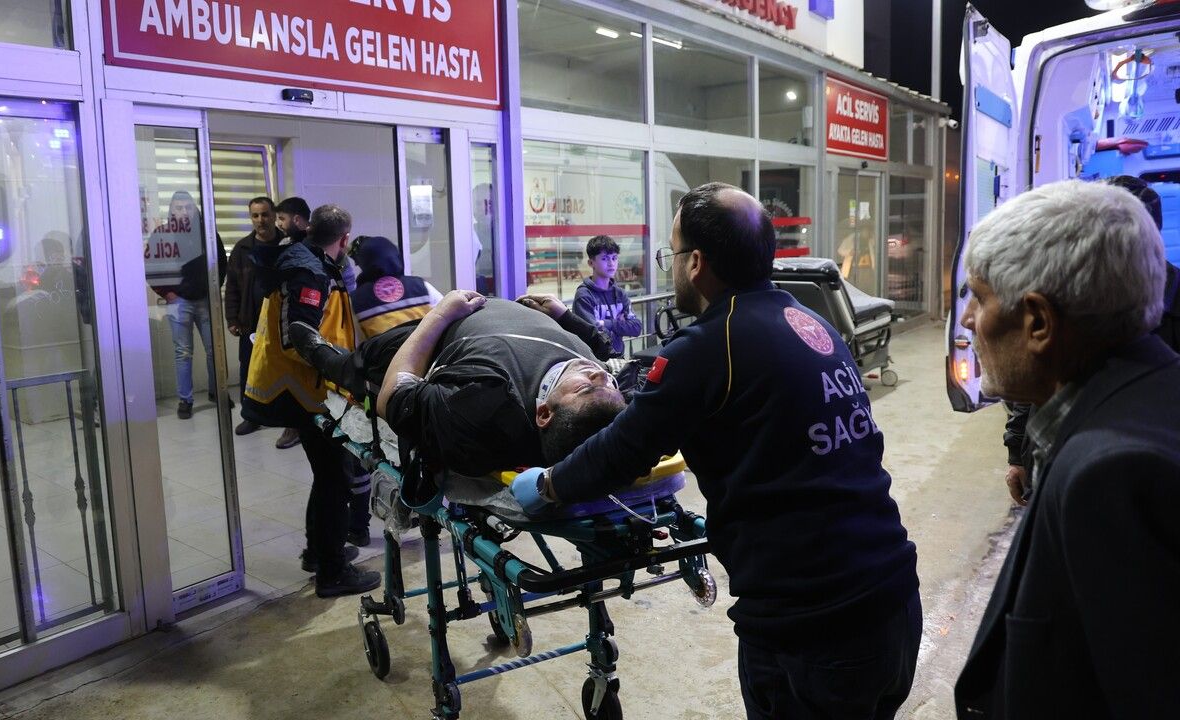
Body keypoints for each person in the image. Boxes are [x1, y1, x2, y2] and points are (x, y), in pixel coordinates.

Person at [508, 183, 920, 720]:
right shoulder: (809, 322)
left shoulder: (709, 345)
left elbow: (623, 450)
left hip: (813, 631)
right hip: (892, 602)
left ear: (696, 262)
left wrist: (547, 485)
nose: (672, 267)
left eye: (673, 253)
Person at [954, 179, 1180, 718]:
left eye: (979, 297)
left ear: (1037, 322)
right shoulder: (1151, 390)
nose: (967, 319)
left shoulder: (1113, 473)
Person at [291, 292, 618, 479]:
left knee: (366, 360)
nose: (600, 376)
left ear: (544, 413)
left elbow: (395, 397)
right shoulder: (609, 401)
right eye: (610, 385)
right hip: (486, 311)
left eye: (586, 387)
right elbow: (610, 353)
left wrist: (439, 316)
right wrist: (564, 316)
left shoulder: (489, 407)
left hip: (441, 333)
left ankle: (325, 358)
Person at [1000, 174, 1180, 505]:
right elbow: (1036, 375)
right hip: (1054, 460)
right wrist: (1016, 453)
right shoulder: (1069, 292)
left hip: (1136, 481)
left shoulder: (1172, 299)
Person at [241, 203, 380, 597]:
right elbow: (299, 335)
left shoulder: (307, 259)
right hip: (306, 391)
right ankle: (332, 572)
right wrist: (345, 369)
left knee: (327, 476)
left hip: (305, 388)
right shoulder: (309, 271)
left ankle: (319, 553)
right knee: (336, 479)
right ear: (344, 238)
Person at [147, 191, 227, 420]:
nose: (183, 212)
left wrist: (214, 290)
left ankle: (216, 392)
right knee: (183, 353)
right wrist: (167, 293)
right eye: (179, 207)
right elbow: (150, 267)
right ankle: (185, 400)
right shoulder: (162, 234)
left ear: (195, 210)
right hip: (179, 301)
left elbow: (222, 262)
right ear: (172, 210)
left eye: (188, 207)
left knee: (214, 350)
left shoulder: (207, 233)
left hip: (205, 299)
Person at [224, 196, 282, 435]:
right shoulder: (242, 249)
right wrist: (232, 319)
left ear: (274, 215)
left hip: (281, 322)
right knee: (249, 369)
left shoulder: (286, 244)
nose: (260, 220)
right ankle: (250, 416)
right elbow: (232, 286)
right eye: (255, 215)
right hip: (251, 322)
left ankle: (286, 418)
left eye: (265, 214)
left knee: (283, 368)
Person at [349, 235, 442, 339]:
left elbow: (356, 341)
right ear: (397, 256)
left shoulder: (355, 300)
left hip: (385, 350)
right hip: (427, 347)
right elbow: (448, 313)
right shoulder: (421, 286)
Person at [572, 235, 642, 358]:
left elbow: (636, 328)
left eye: (614, 258)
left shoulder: (620, 294)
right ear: (591, 263)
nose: (611, 263)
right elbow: (593, 336)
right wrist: (621, 325)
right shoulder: (584, 296)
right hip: (594, 361)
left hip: (618, 358)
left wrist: (607, 324)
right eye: (604, 259)